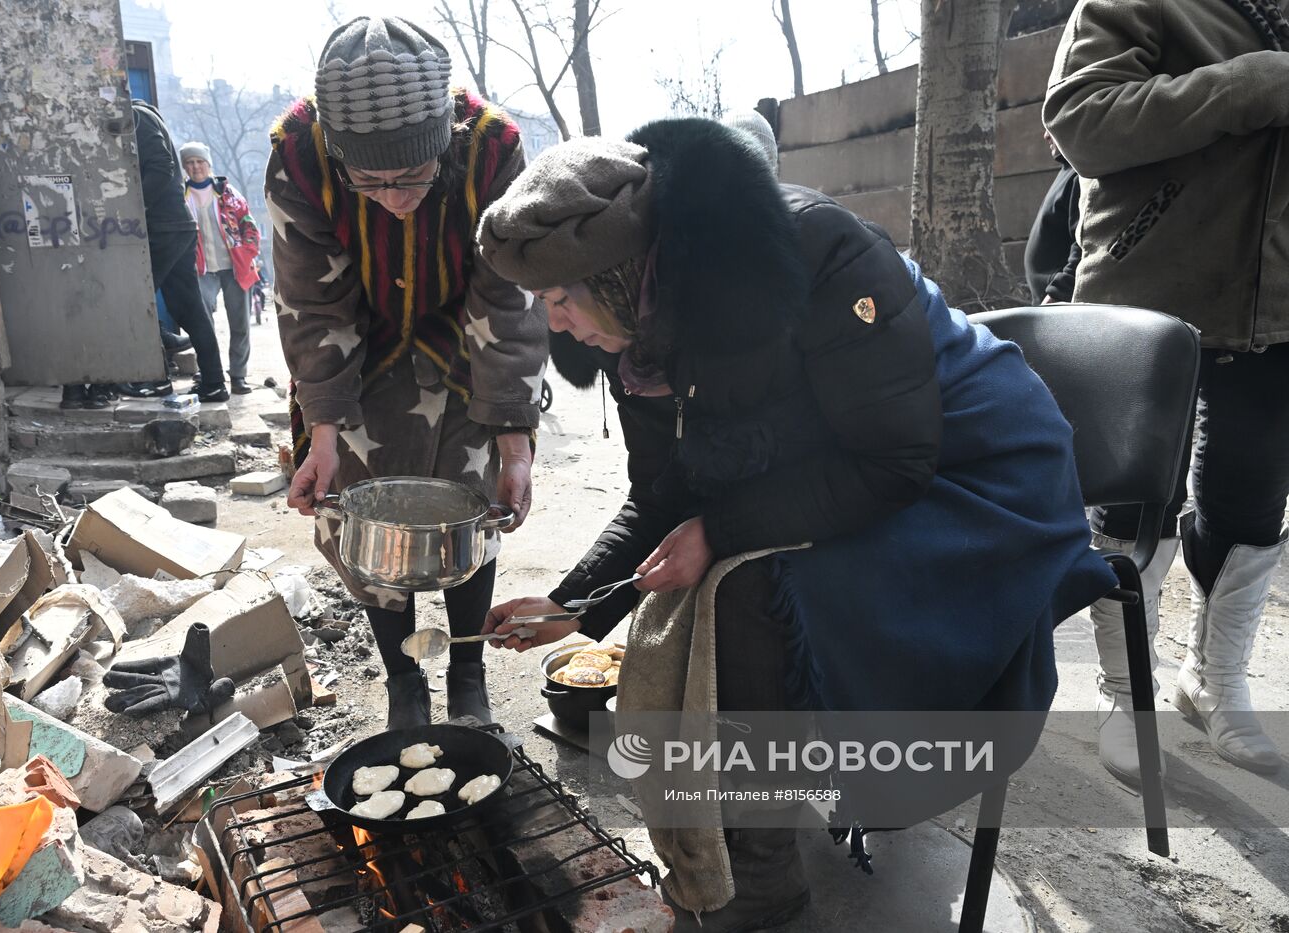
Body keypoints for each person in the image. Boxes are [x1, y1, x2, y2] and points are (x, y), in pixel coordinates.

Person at [475, 120, 1116, 931]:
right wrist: (577, 603)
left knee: (744, 587)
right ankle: (751, 818)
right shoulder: (634, 328)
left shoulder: (817, 252)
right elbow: (665, 489)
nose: (553, 322)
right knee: (720, 575)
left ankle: (758, 880)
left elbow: (894, 462)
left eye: (560, 299)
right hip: (849, 462)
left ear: (620, 272)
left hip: (977, 478)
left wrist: (721, 531)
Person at [269, 16, 547, 729]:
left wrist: (514, 441)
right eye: (371, 181)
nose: (395, 198)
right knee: (361, 504)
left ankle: (467, 670)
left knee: (473, 491)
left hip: (465, 335)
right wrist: (322, 433)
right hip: (359, 343)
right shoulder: (299, 156)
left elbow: (508, 298)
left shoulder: (492, 150)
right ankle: (403, 679)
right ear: (339, 158)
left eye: (414, 176)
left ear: (444, 144)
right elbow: (312, 300)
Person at [1045, 0, 1289, 781]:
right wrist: (1254, 83)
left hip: (1276, 306)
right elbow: (1081, 120)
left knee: (1251, 499)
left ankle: (1214, 683)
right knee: (1130, 506)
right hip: (1146, 296)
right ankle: (1129, 696)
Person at [130, 100, 229, 403]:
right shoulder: (146, 117)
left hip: (164, 227)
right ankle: (213, 383)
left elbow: (162, 167)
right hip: (175, 227)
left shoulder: (137, 116)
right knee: (189, 309)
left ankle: (156, 378)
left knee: (134, 300)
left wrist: (132, 204)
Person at [181, 141, 261, 394]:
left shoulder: (228, 193)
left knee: (240, 323)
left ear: (208, 164)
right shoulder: (179, 196)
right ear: (185, 167)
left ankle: (238, 375)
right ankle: (209, 372)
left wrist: (247, 252)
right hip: (201, 270)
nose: (195, 167)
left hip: (234, 267)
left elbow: (249, 224)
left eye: (199, 162)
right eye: (190, 163)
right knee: (202, 322)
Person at [1023, 131, 1080, 304]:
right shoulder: (1067, 172)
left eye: (1051, 127)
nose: (1046, 136)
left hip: (1060, 305)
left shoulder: (1081, 175)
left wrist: (1059, 292)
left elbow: (1084, 243)